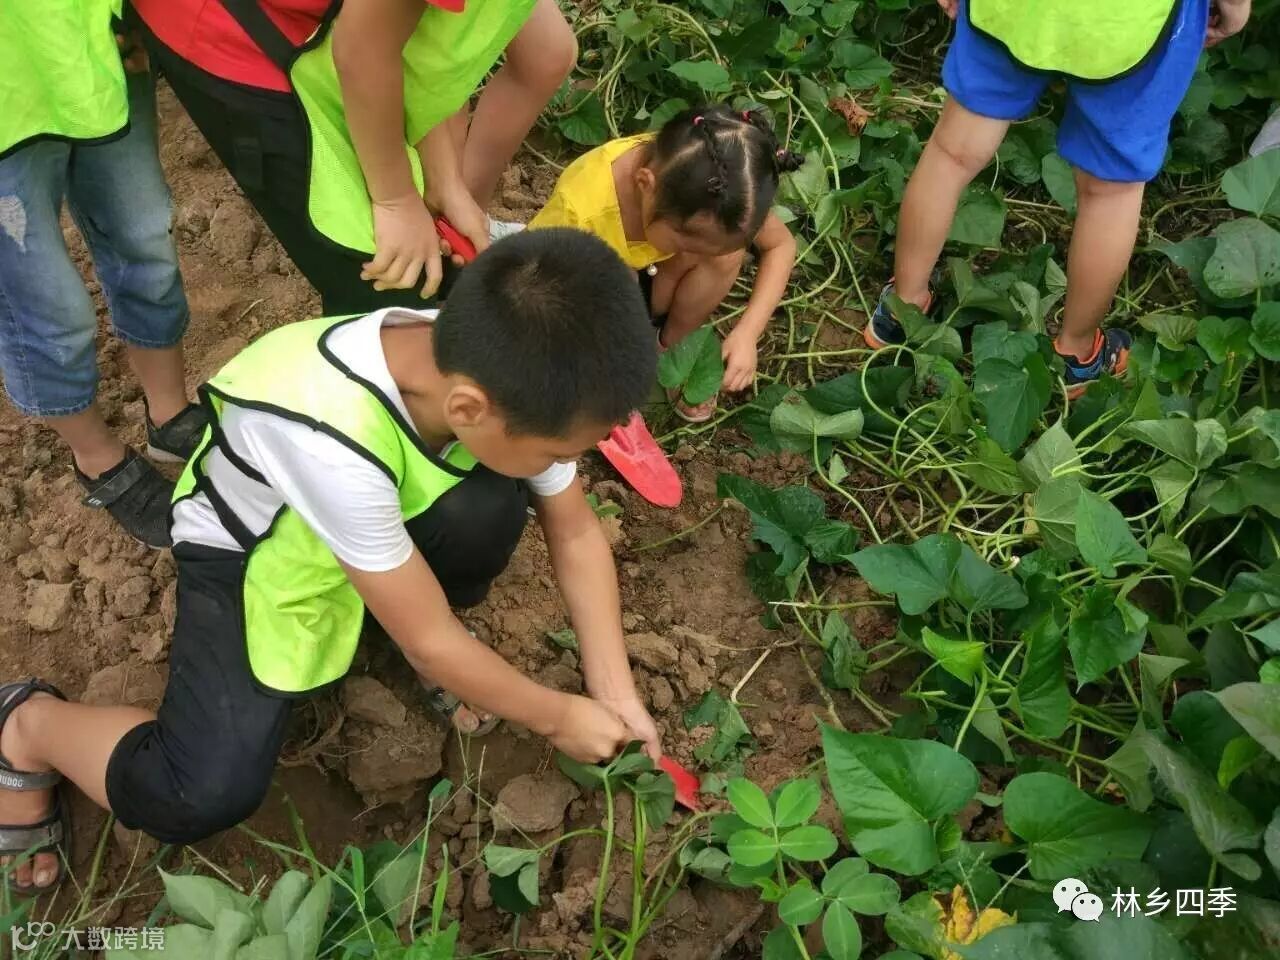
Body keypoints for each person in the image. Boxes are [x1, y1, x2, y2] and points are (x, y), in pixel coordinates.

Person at [0, 228, 663, 894]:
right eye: (558, 452)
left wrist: (614, 691)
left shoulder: (500, 360)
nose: (563, 465)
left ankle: (407, 611)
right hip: (255, 547)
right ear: (469, 408)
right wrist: (556, 716)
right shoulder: (330, 430)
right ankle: (25, 729)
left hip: (372, 516)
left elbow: (575, 533)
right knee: (197, 790)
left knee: (486, 512)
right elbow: (431, 640)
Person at [865, 0, 1253, 397]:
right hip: (1132, 24)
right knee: (1110, 193)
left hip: (1015, 12)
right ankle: (1077, 354)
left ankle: (902, 309)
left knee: (952, 153)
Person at [133, 0, 577, 313]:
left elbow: (424, 40)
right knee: (389, 291)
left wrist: (442, 178)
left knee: (418, 264)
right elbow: (364, 51)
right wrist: (395, 198)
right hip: (235, 30)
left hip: (339, 27)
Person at [0, 8, 204, 551]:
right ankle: (97, 459)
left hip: (85, 42)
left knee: (145, 235)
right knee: (46, 304)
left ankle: (169, 414)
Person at [529, 105, 800, 422]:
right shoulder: (580, 211)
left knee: (725, 254)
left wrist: (748, 333)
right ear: (646, 184)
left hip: (641, 280)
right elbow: (531, 288)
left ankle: (668, 348)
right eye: (686, 239)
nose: (696, 251)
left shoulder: (718, 186)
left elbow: (781, 245)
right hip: (577, 289)